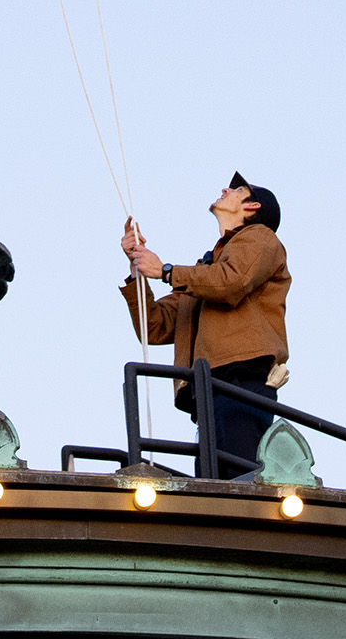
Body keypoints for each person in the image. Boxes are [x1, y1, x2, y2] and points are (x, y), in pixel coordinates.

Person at [119, 174, 290, 478]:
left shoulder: (260, 237)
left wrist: (166, 271)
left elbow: (232, 281)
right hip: (209, 393)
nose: (225, 189)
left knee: (238, 488)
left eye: (237, 189)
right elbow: (154, 325)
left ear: (252, 207)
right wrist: (138, 270)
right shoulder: (204, 272)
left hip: (241, 383)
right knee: (216, 487)